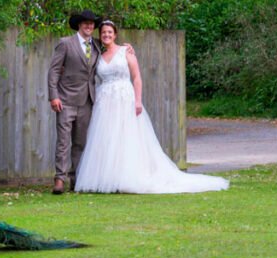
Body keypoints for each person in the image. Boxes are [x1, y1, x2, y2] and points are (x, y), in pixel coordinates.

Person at [75, 20, 229, 194]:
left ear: (115, 34)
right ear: (100, 35)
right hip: (105, 102)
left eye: (110, 32)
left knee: (126, 137)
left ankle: (128, 176)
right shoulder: (98, 56)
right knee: (107, 139)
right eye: (103, 33)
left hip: (125, 98)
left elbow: (137, 77)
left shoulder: (126, 51)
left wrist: (138, 100)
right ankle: (109, 179)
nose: (107, 35)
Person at [47, 9, 104, 195]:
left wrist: (128, 48)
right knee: (63, 141)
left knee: (80, 143)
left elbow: (113, 48)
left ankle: (76, 179)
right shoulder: (65, 43)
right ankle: (59, 179)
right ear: (79, 25)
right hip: (65, 100)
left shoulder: (96, 45)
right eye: (85, 23)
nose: (89, 26)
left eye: (92, 23)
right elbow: (54, 71)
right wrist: (53, 95)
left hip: (87, 101)